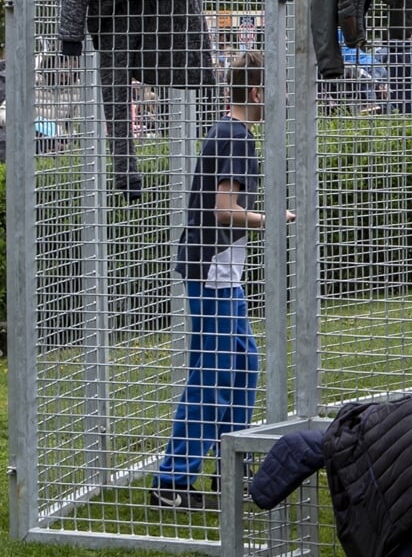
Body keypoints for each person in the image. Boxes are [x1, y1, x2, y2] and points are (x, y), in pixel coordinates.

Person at [150, 51, 296, 510]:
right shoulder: (234, 136)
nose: (281, 98)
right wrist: (270, 218)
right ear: (256, 94)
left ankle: (231, 468)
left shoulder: (233, 132)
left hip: (222, 272)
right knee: (210, 376)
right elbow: (223, 210)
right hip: (211, 271)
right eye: (274, 90)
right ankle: (171, 483)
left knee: (243, 364)